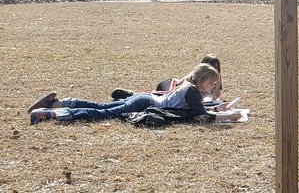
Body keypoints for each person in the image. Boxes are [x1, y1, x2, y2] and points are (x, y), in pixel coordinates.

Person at [29, 63, 224, 124]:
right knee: (103, 113)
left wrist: (216, 105)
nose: (213, 86)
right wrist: (227, 116)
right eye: (211, 82)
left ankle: (57, 103)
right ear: (201, 79)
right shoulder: (192, 91)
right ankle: (51, 113)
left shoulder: (189, 87)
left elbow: (198, 108)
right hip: (144, 104)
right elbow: (200, 115)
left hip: (144, 99)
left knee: (101, 107)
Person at [109, 54, 224, 101]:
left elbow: (215, 97)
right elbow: (179, 88)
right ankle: (131, 95)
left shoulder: (213, 81)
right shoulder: (194, 76)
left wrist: (216, 86)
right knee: (162, 98)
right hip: (171, 85)